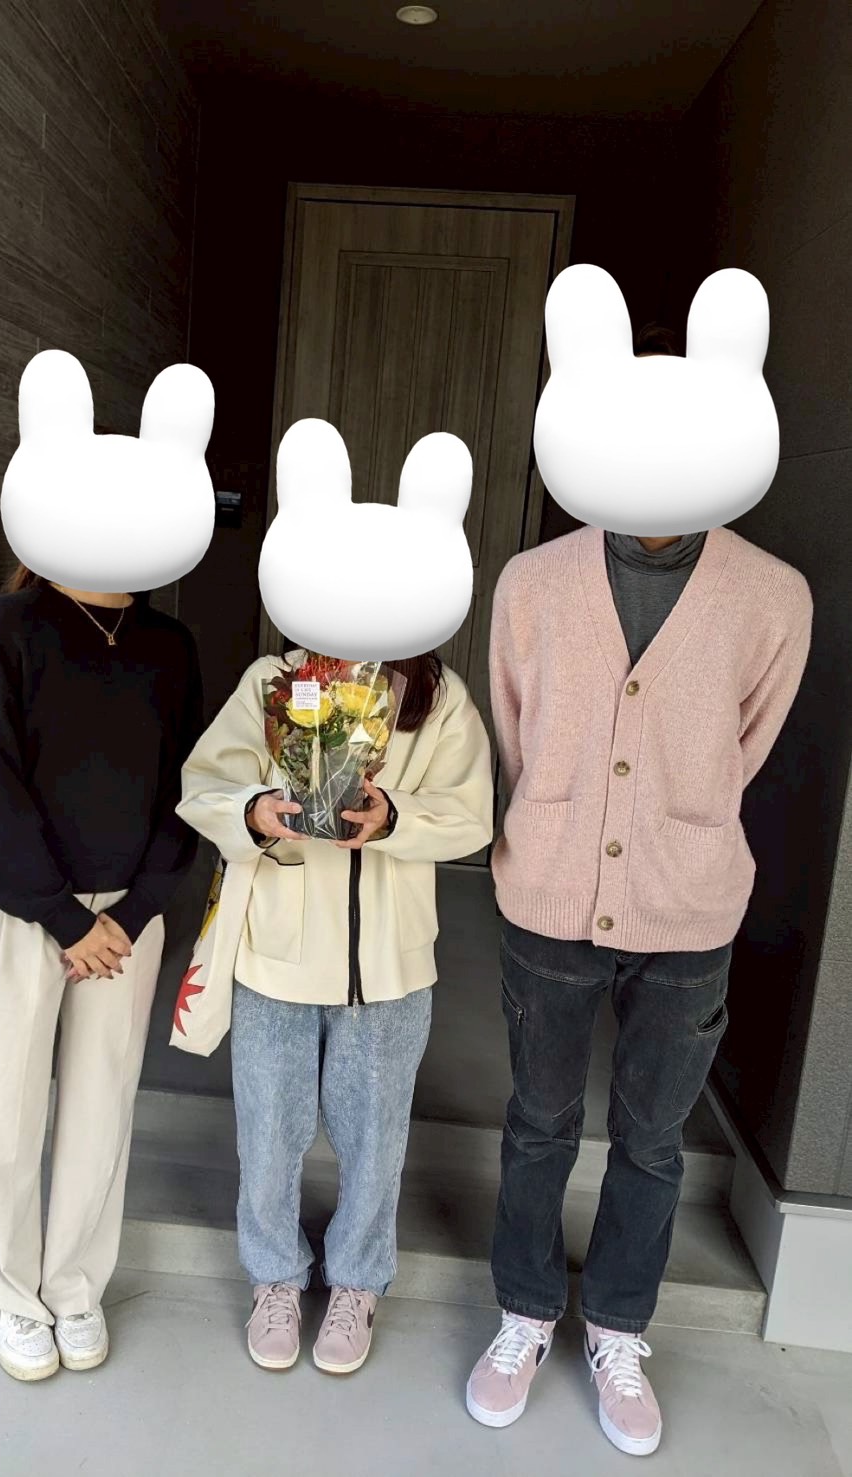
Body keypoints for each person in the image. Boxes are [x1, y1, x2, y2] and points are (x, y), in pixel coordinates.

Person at [466, 323, 812, 1455]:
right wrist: (570, 818)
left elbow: (746, 747)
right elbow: (517, 727)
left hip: (688, 900)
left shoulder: (773, 596)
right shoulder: (531, 583)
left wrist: (668, 821)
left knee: (654, 1137)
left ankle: (617, 1326)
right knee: (538, 1122)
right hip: (549, 893)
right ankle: (525, 1311)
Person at [178, 647, 493, 1374]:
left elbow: (471, 814)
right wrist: (255, 811)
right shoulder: (273, 679)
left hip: (387, 962)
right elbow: (205, 784)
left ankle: (357, 1281)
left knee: (377, 1137)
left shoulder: (437, 694)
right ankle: (274, 1277)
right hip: (276, 952)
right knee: (268, 1131)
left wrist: (395, 817)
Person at [0, 559, 202, 1381]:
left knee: (102, 1102)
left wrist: (134, 911)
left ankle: (74, 1285)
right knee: (1, 1106)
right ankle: (10, 1292)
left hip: (125, 922)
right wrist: (65, 916)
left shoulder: (169, 644)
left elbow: (186, 791)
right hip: (17, 908)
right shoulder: (5, 627)